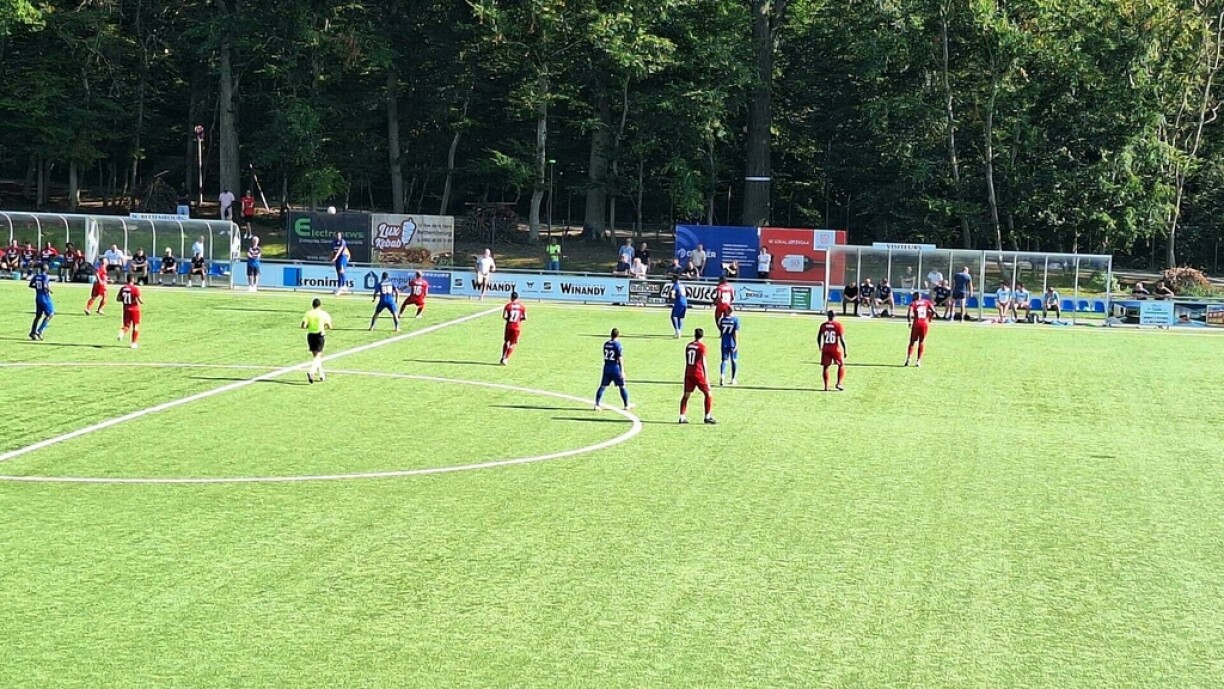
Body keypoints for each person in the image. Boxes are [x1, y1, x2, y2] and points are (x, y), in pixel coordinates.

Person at [679, 328, 716, 425]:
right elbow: (703, 362)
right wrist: (706, 377)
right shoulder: (702, 347)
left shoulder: (688, 345)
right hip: (698, 373)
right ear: (702, 336)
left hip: (688, 372)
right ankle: (707, 416)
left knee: (686, 395)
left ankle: (682, 416)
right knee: (708, 393)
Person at [594, 328, 634, 412]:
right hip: (615, 368)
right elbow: (620, 358)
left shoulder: (606, 344)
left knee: (603, 386)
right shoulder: (617, 345)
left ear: (611, 334)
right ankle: (626, 405)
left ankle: (597, 404)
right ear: (618, 335)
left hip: (606, 367)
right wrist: (622, 371)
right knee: (622, 386)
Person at [301, 297, 333, 383]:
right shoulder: (324, 314)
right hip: (319, 335)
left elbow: (303, 326)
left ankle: (322, 375)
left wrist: (310, 326)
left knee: (316, 357)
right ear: (320, 305)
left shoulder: (308, 313)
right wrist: (324, 326)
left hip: (311, 335)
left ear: (312, 305)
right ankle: (311, 372)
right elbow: (330, 326)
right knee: (318, 356)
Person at [818, 310, 847, 392]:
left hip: (826, 348)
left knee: (825, 367)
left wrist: (820, 346)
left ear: (827, 316)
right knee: (841, 365)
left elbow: (818, 337)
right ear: (835, 316)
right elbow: (842, 339)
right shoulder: (838, 325)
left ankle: (826, 386)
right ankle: (839, 383)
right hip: (835, 348)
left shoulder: (823, 325)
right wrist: (845, 350)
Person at [905, 292, 934, 367]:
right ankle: (918, 361)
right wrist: (929, 318)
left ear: (915, 297)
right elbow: (933, 311)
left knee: (912, 342)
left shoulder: (913, 303)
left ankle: (909, 358)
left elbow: (908, 314)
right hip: (925, 324)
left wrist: (909, 322)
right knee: (921, 341)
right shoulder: (926, 302)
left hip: (916, 324)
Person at [28, 263, 53, 341]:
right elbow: (45, 285)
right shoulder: (46, 276)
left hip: (38, 297)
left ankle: (32, 332)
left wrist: (38, 287)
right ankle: (39, 331)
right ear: (46, 269)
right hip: (45, 298)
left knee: (38, 316)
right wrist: (49, 290)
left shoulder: (36, 276)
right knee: (50, 314)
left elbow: (30, 285)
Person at [116, 275, 143, 349]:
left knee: (126, 326)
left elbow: (118, 299)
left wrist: (124, 300)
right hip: (135, 309)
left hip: (126, 309)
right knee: (136, 326)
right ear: (133, 280)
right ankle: (133, 343)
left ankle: (122, 332)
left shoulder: (123, 288)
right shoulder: (135, 289)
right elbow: (140, 300)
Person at [500, 291, 526, 365]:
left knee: (506, 341)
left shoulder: (508, 306)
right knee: (512, 344)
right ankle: (506, 359)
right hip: (517, 327)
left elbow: (504, 316)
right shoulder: (522, 306)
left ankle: (503, 356)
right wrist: (519, 320)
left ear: (511, 297)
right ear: (517, 298)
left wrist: (508, 320)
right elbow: (525, 317)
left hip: (509, 326)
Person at [718, 307, 740, 386]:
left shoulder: (722, 320)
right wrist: (737, 343)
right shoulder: (735, 320)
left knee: (724, 360)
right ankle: (733, 379)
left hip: (724, 342)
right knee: (734, 360)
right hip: (732, 343)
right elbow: (736, 333)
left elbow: (721, 329)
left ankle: (722, 375)